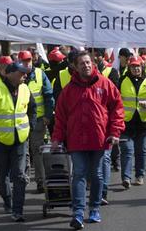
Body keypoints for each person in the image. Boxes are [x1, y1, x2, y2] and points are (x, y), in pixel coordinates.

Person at [51, 51, 124, 230]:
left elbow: (117, 109)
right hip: (76, 140)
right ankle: (77, 213)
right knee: (79, 174)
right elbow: (60, 117)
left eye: (88, 62)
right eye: (82, 63)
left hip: (100, 140)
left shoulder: (105, 84)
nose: (86, 65)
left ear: (93, 63)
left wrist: (115, 132)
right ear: (75, 67)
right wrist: (56, 138)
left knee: (97, 175)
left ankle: (94, 208)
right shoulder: (68, 90)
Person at [0, 62, 37, 222]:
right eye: (22, 73)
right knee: (2, 176)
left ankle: (18, 210)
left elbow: (32, 109)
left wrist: (30, 127)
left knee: (20, 176)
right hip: (0, 142)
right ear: (10, 74)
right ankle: (8, 201)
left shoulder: (26, 89)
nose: (25, 75)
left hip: (20, 140)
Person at [119, 56, 146, 187]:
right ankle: (126, 177)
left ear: (142, 67)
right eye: (133, 66)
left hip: (143, 124)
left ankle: (139, 175)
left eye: (138, 66)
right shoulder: (122, 80)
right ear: (129, 67)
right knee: (127, 150)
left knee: (140, 150)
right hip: (126, 123)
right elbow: (115, 99)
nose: (136, 68)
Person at [18, 50, 54, 193]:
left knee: (37, 151)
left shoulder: (40, 74)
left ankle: (40, 181)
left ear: (32, 60)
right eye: (23, 60)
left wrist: (47, 115)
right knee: (22, 151)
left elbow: (48, 96)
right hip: (19, 120)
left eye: (28, 60)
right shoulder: (15, 75)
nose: (27, 63)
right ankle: (23, 178)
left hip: (38, 120)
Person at [89, 47, 120, 204]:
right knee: (91, 165)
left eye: (96, 57)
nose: (94, 60)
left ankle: (103, 192)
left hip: (105, 124)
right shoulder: (84, 76)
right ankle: (94, 189)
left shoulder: (111, 72)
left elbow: (114, 99)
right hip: (90, 126)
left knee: (105, 159)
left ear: (102, 57)